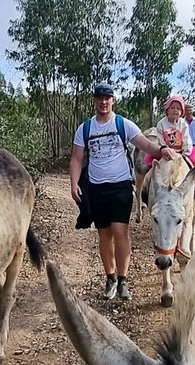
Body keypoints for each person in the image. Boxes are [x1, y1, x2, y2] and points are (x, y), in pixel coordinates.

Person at [71, 82, 177, 301]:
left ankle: (123, 280)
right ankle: (110, 278)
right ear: (95, 101)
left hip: (120, 186)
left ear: (113, 100)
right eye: (99, 98)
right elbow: (77, 158)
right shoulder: (85, 129)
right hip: (97, 188)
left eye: (107, 98)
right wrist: (74, 183)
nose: (103, 102)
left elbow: (146, 145)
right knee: (104, 234)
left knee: (120, 232)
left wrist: (162, 150)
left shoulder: (123, 124)